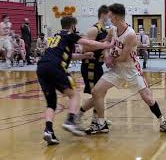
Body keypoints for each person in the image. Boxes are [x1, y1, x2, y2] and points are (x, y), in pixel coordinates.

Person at [78, 3, 166, 135]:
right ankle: (101, 123)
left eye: (111, 15)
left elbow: (124, 57)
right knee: (96, 91)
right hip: (117, 69)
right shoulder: (112, 29)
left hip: (131, 69)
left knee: (148, 98)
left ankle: (163, 122)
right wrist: (106, 55)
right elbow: (106, 45)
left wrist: (109, 59)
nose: (109, 18)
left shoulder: (130, 34)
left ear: (117, 17)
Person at [37, 16, 114, 145]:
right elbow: (89, 43)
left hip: (41, 68)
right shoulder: (69, 34)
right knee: (74, 94)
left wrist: (83, 55)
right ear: (73, 26)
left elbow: (67, 56)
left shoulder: (55, 37)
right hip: (55, 67)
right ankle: (71, 120)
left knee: (51, 103)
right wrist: (108, 44)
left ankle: (48, 130)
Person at [80, 5, 113, 128]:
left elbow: (103, 50)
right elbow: (85, 48)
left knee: (101, 93)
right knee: (97, 94)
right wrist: (103, 44)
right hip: (90, 66)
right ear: (103, 14)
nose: (110, 17)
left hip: (98, 65)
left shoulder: (105, 30)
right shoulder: (94, 29)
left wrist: (108, 58)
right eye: (109, 15)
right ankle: (77, 117)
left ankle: (97, 117)